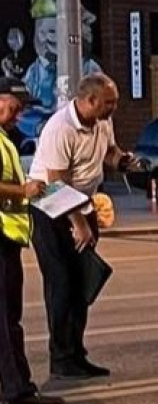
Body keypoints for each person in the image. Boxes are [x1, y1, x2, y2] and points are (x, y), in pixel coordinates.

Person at [29, 73, 142, 382]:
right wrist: (78, 223)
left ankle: (77, 354)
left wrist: (125, 162)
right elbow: (55, 184)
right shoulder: (60, 128)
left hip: (83, 204)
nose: (113, 108)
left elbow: (109, 152)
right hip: (50, 209)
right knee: (62, 283)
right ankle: (61, 358)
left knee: (82, 284)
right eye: (109, 103)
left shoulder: (102, 122)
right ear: (89, 100)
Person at [0, 81, 61, 404]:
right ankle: (16, 388)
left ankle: (13, 385)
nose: (18, 114)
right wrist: (23, 192)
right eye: (14, 107)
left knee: (8, 318)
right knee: (6, 320)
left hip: (7, 238)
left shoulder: (4, 140)